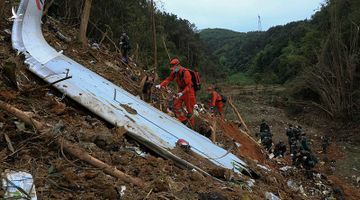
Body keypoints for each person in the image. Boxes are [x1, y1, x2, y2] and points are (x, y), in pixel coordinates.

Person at [155, 58, 196, 127]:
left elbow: (189, 86)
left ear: (178, 65)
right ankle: (184, 121)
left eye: (174, 67)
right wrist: (161, 85)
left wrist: (182, 92)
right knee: (176, 105)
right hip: (181, 91)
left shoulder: (186, 72)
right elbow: (169, 79)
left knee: (190, 110)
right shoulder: (175, 72)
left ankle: (191, 127)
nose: (173, 69)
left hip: (188, 92)